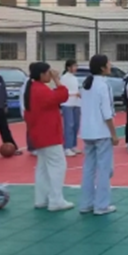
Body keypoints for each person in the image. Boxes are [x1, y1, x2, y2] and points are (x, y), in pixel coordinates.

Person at [23, 62, 74, 211]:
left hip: (38, 133)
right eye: (47, 72)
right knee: (58, 165)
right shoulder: (40, 90)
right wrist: (57, 80)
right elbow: (62, 96)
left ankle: (41, 199)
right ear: (42, 74)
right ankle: (56, 200)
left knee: (43, 167)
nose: (49, 75)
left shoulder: (32, 88)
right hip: (48, 133)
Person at [79, 54, 120, 215]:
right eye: (108, 63)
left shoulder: (86, 85)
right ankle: (101, 205)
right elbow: (107, 113)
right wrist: (114, 134)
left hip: (87, 132)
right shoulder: (103, 85)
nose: (111, 65)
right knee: (104, 169)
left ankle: (86, 203)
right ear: (103, 68)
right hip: (101, 132)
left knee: (88, 168)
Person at [60, 59, 81, 157]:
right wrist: (74, 94)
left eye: (76, 66)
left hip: (76, 104)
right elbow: (62, 91)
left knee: (76, 125)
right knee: (69, 125)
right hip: (67, 104)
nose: (76, 68)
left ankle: (73, 145)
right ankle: (67, 147)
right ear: (68, 67)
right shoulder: (64, 78)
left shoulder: (74, 78)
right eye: (74, 66)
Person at [19, 76, 36, 156]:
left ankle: (35, 146)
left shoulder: (33, 83)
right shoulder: (27, 84)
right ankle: (32, 147)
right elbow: (23, 99)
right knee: (31, 129)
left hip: (32, 110)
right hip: (28, 111)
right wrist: (24, 111)